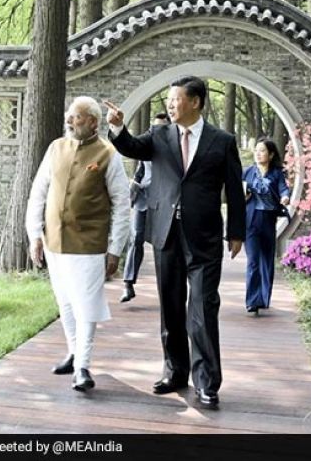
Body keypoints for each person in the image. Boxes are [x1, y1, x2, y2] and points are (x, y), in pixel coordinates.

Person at [104, 76, 246, 409]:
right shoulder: (159, 135)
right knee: (170, 307)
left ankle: (207, 382)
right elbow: (131, 148)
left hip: (205, 238)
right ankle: (174, 371)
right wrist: (118, 129)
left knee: (202, 307)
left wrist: (237, 231)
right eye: (168, 100)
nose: (170, 104)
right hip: (166, 232)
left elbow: (235, 189)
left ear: (195, 102)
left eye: (175, 99)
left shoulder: (222, 141)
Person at [26, 96, 130, 392]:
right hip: (54, 241)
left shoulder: (108, 153)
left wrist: (115, 248)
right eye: (69, 116)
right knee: (66, 302)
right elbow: (38, 191)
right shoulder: (56, 148)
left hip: (89, 244)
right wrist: (35, 234)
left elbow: (123, 204)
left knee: (86, 305)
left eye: (77, 117)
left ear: (94, 122)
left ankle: (83, 366)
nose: (70, 121)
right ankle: (73, 353)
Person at [121, 113, 169, 303]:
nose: (157, 131)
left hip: (164, 202)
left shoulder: (174, 149)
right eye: (154, 127)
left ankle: (166, 287)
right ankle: (128, 283)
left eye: (162, 127)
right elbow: (140, 171)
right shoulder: (146, 146)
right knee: (136, 238)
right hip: (143, 199)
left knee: (163, 243)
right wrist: (133, 188)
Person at [242, 137, 290, 315]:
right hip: (251, 221)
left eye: (262, 151)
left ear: (270, 154)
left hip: (268, 221)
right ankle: (252, 301)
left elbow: (284, 188)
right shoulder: (248, 172)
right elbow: (237, 192)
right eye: (256, 151)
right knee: (253, 261)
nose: (258, 154)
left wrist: (285, 197)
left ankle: (263, 298)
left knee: (266, 262)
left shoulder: (277, 173)